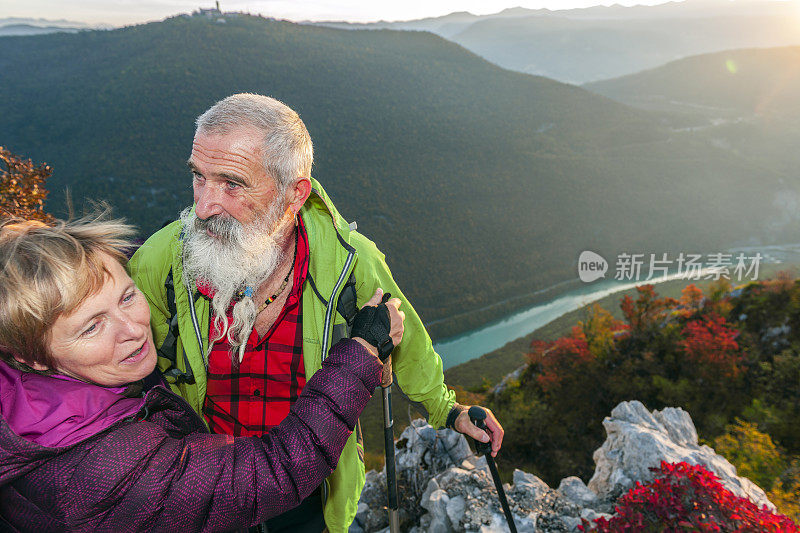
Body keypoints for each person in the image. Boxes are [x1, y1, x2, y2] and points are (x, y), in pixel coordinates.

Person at [128, 93, 504, 532]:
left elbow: (408, 341)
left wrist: (448, 410)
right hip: (203, 484)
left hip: (306, 483)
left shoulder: (349, 262)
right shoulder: (161, 262)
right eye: (199, 177)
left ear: (295, 193)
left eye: (231, 183)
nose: (204, 206)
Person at [0, 216, 404, 532]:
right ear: (32, 356)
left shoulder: (33, 394)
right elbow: (272, 474)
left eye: (127, 296)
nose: (133, 329)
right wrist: (363, 351)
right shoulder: (98, 469)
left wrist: (188, 247)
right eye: (92, 326)